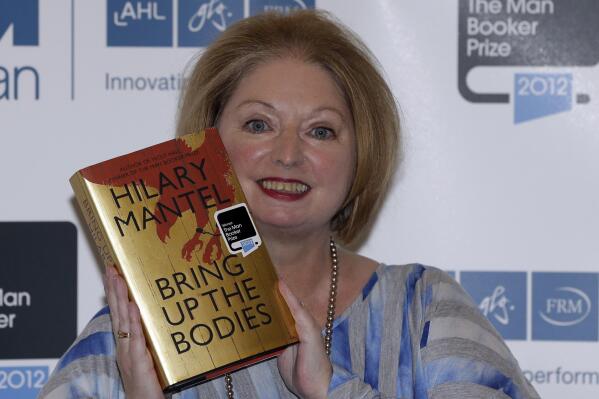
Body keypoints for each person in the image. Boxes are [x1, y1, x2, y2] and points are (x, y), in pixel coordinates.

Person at [39, 10, 539, 399]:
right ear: (207, 143)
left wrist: (330, 388)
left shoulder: (423, 308)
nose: (288, 154)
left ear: (361, 156)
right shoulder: (133, 334)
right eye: (259, 124)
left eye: (321, 131)